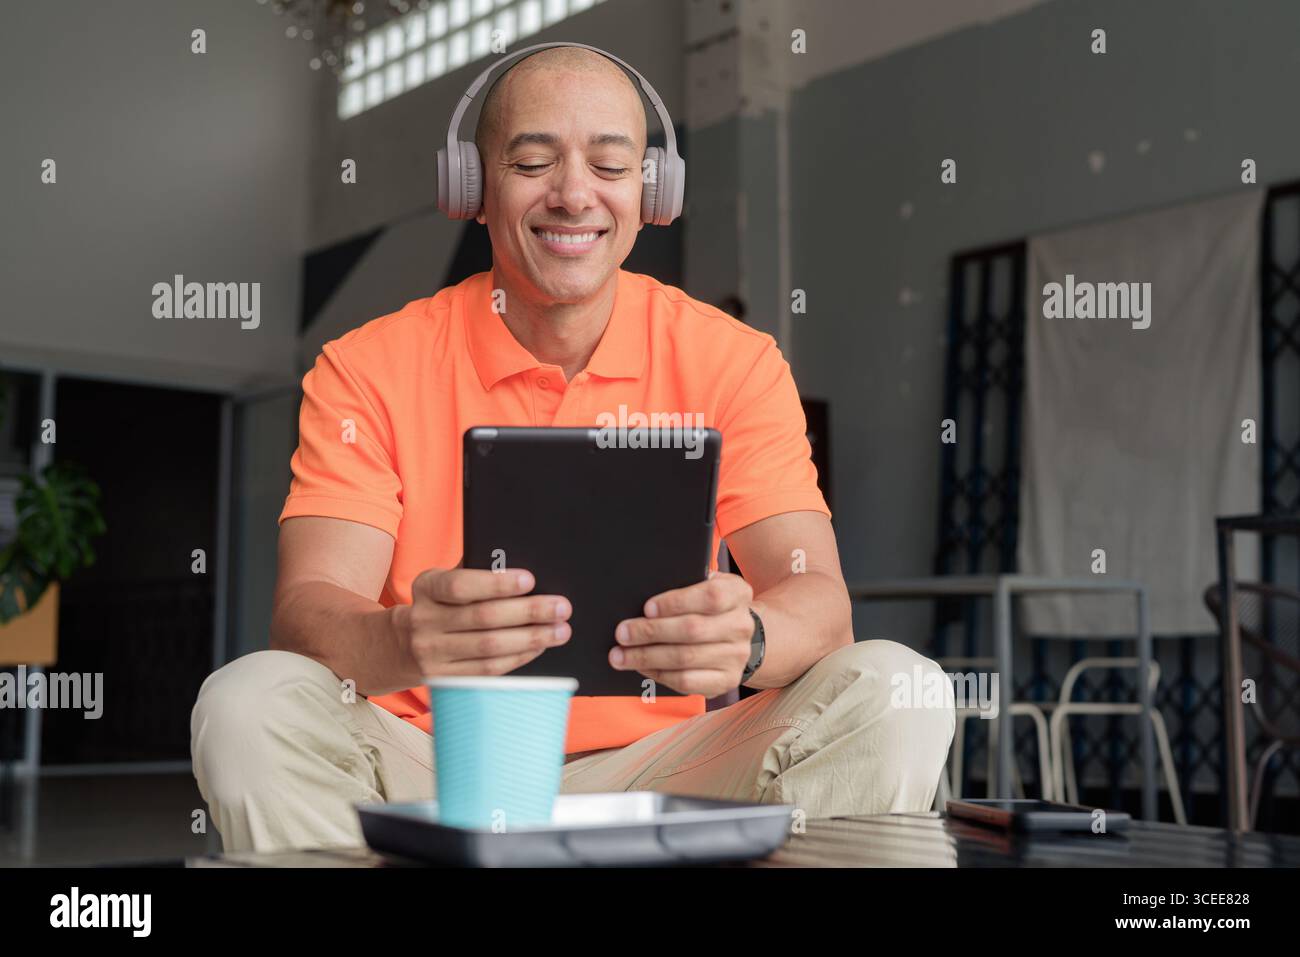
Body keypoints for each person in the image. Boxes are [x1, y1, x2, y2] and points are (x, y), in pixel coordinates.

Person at [191, 45, 954, 853]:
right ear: (473, 187)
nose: (573, 194)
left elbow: (820, 604)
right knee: (248, 700)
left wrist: (752, 638)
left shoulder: (735, 361)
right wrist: (405, 638)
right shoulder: (368, 366)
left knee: (896, 686)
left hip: (663, 769)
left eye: (609, 165)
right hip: (432, 767)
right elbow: (308, 606)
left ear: (650, 193)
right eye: (530, 161)